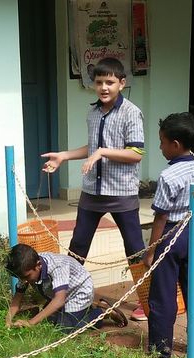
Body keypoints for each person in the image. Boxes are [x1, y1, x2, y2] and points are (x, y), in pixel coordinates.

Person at [41, 57, 148, 321]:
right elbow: (91, 149)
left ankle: (147, 301)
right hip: (91, 193)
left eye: (110, 82)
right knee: (77, 247)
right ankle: (65, 295)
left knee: (135, 248)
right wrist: (64, 156)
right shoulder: (92, 113)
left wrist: (101, 152)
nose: (104, 87)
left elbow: (136, 153)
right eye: (99, 82)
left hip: (122, 193)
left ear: (121, 84)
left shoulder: (131, 112)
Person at [143, 112, 194, 358]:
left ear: (175, 144)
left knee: (162, 296)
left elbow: (160, 217)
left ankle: (160, 349)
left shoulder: (167, 176)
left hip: (171, 236)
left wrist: (151, 251)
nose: (160, 147)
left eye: (162, 142)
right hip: (193, 234)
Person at [5, 243, 127, 332]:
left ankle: (102, 313)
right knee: (50, 321)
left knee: (65, 329)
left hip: (79, 291)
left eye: (27, 277)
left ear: (38, 266)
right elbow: (17, 298)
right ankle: (87, 309)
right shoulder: (26, 268)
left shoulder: (57, 266)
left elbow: (59, 300)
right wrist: (8, 320)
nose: (24, 281)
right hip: (60, 293)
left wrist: (30, 322)